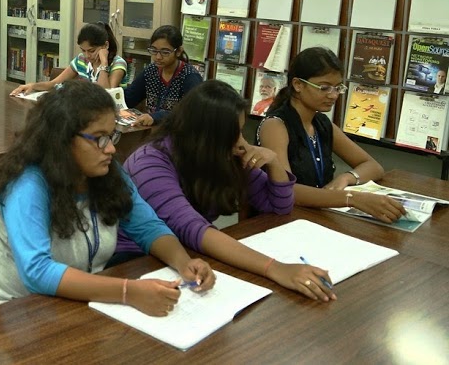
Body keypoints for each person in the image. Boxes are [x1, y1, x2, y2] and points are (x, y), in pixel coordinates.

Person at [0, 80, 214, 308]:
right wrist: (127, 292)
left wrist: (184, 263)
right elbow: (37, 272)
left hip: (73, 304)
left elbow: (148, 228)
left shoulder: (107, 173)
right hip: (7, 309)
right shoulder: (28, 184)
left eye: (111, 136)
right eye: (99, 139)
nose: (111, 148)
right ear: (62, 139)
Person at [122, 80, 336, 302]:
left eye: (241, 131)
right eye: (233, 134)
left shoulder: (222, 153)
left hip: (191, 258)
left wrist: (273, 163)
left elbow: (279, 207)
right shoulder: (149, 162)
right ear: (206, 137)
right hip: (135, 263)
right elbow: (191, 227)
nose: (242, 144)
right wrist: (275, 268)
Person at [257, 47, 407, 224]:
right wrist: (351, 198)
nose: (333, 95)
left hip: (317, 217)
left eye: (337, 88)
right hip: (280, 221)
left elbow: (373, 166)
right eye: (324, 87)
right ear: (298, 85)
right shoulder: (275, 125)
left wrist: (347, 177)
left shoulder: (321, 123)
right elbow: (287, 190)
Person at [11, 22, 126, 96]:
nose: (87, 56)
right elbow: (55, 83)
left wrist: (104, 63)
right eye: (83, 50)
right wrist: (33, 86)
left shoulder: (118, 64)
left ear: (105, 46)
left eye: (91, 51)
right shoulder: (81, 60)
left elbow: (106, 95)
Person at [123, 25, 203, 126]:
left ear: (178, 51)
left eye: (165, 52)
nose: (158, 57)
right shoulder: (151, 71)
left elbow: (191, 114)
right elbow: (129, 98)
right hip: (153, 132)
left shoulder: (190, 77)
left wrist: (155, 117)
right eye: (154, 50)